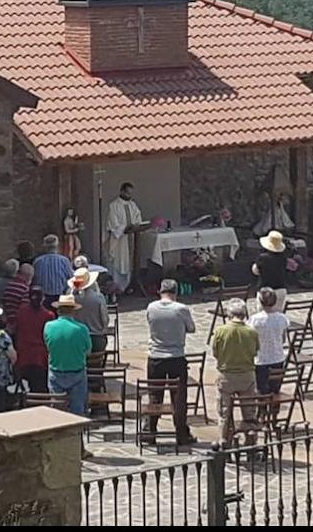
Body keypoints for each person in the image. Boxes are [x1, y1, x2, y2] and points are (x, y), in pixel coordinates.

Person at [143, 279, 196, 445]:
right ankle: (181, 432)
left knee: (155, 394)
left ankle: (150, 430)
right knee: (179, 397)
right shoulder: (181, 309)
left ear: (160, 291)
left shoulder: (151, 307)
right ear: (176, 292)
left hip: (156, 355)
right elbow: (192, 328)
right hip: (176, 356)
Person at [210, 298, 260, 447]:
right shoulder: (251, 331)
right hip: (246, 375)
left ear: (228, 314)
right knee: (249, 409)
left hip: (227, 375)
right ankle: (250, 439)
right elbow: (256, 351)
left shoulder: (221, 331)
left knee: (224, 411)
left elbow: (215, 352)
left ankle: (224, 439)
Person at [44, 294, 91, 415]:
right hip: (77, 372)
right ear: (73, 311)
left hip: (56, 372)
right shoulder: (82, 329)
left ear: (58, 310)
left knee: (57, 411)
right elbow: (88, 351)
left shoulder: (48, 327)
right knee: (77, 410)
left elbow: (47, 346)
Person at [105, 183, 148, 295]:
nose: (130, 195)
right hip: (120, 240)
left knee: (130, 263)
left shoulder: (132, 205)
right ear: (122, 192)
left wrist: (136, 225)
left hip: (132, 237)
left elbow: (138, 218)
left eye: (131, 193)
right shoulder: (113, 205)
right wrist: (124, 228)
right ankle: (117, 287)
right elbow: (113, 224)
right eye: (128, 192)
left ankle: (129, 285)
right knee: (120, 262)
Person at [248, 287, 289, 399]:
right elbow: (284, 339)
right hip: (278, 358)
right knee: (275, 391)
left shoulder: (255, 320)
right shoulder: (282, 318)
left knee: (262, 391)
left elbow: (250, 339)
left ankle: (262, 413)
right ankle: (274, 413)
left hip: (261, 359)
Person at [13, 284, 55, 393]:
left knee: (25, 389)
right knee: (40, 389)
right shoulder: (48, 315)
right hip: (40, 358)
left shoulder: (21, 311)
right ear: (43, 298)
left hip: (23, 356)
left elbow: (16, 330)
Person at [33, 234, 74, 309]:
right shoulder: (64, 261)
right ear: (57, 245)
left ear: (44, 246)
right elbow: (71, 278)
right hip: (59, 297)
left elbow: (34, 281)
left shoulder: (37, 261)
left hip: (43, 299)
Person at [253, 230, 289, 311]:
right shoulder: (283, 257)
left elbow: (256, 271)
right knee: (278, 313)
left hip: (265, 289)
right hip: (281, 288)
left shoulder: (262, 257)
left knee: (263, 314)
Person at [3, 262, 35, 331]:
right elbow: (24, 310)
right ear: (28, 276)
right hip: (17, 324)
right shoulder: (25, 289)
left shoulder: (9, 286)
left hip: (7, 321)